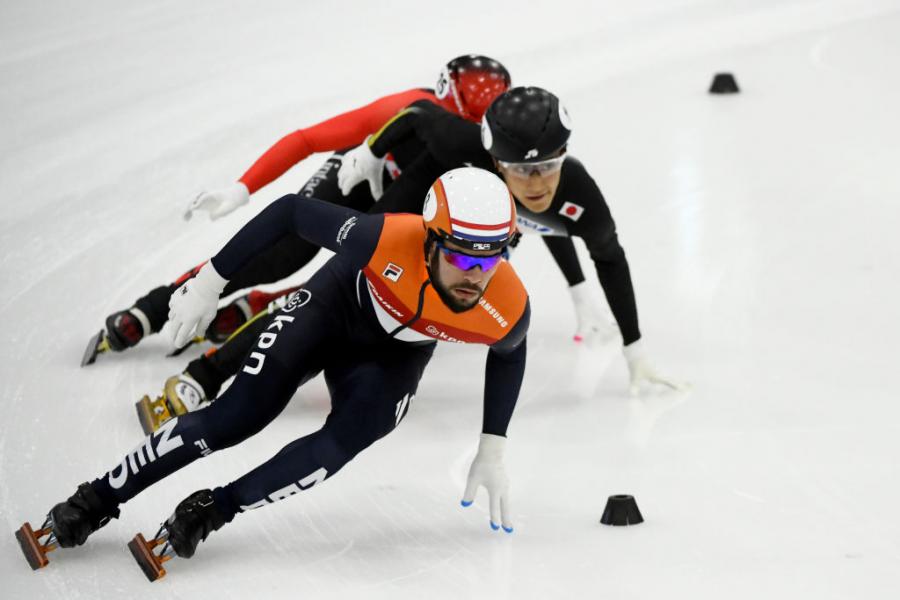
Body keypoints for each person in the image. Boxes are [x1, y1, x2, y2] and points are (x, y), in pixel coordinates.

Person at [18, 168, 529, 580]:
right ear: (430, 241)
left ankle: (213, 510)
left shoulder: (506, 305)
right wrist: (208, 281)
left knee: (337, 448)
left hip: (393, 359)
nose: (475, 275)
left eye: (492, 258)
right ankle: (96, 499)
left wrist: (494, 443)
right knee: (233, 419)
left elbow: (510, 351)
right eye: (462, 255)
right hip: (332, 309)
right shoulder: (384, 237)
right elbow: (289, 213)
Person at [85, 55, 515, 362]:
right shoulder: (403, 108)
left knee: (362, 276)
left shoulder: (486, 150)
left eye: (470, 129)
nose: (455, 133)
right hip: (356, 173)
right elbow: (309, 139)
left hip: (403, 201)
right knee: (285, 253)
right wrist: (242, 187)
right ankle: (157, 306)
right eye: (448, 120)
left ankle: (263, 305)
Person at [338, 86, 684, 394]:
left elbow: (600, 253)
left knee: (466, 282)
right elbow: (418, 111)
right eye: (520, 170)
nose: (536, 184)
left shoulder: (582, 198)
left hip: (482, 215)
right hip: (425, 178)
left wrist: (631, 346)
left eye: (549, 166)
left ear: (564, 152)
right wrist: (372, 151)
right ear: (495, 162)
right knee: (365, 248)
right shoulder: (461, 143)